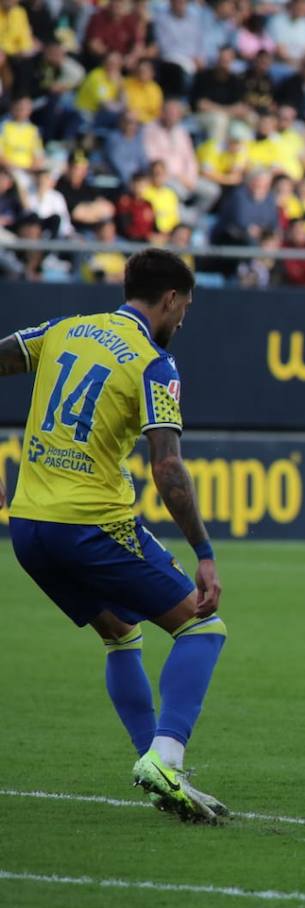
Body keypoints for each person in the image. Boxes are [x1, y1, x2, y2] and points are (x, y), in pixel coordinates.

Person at [0, 249, 227, 822]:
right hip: (91, 524)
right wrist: (203, 551)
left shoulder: (63, 330)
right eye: (186, 307)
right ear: (171, 299)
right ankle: (167, 757)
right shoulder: (155, 363)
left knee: (121, 633)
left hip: (27, 527)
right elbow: (168, 468)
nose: (184, 320)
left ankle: (156, 767)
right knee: (202, 624)